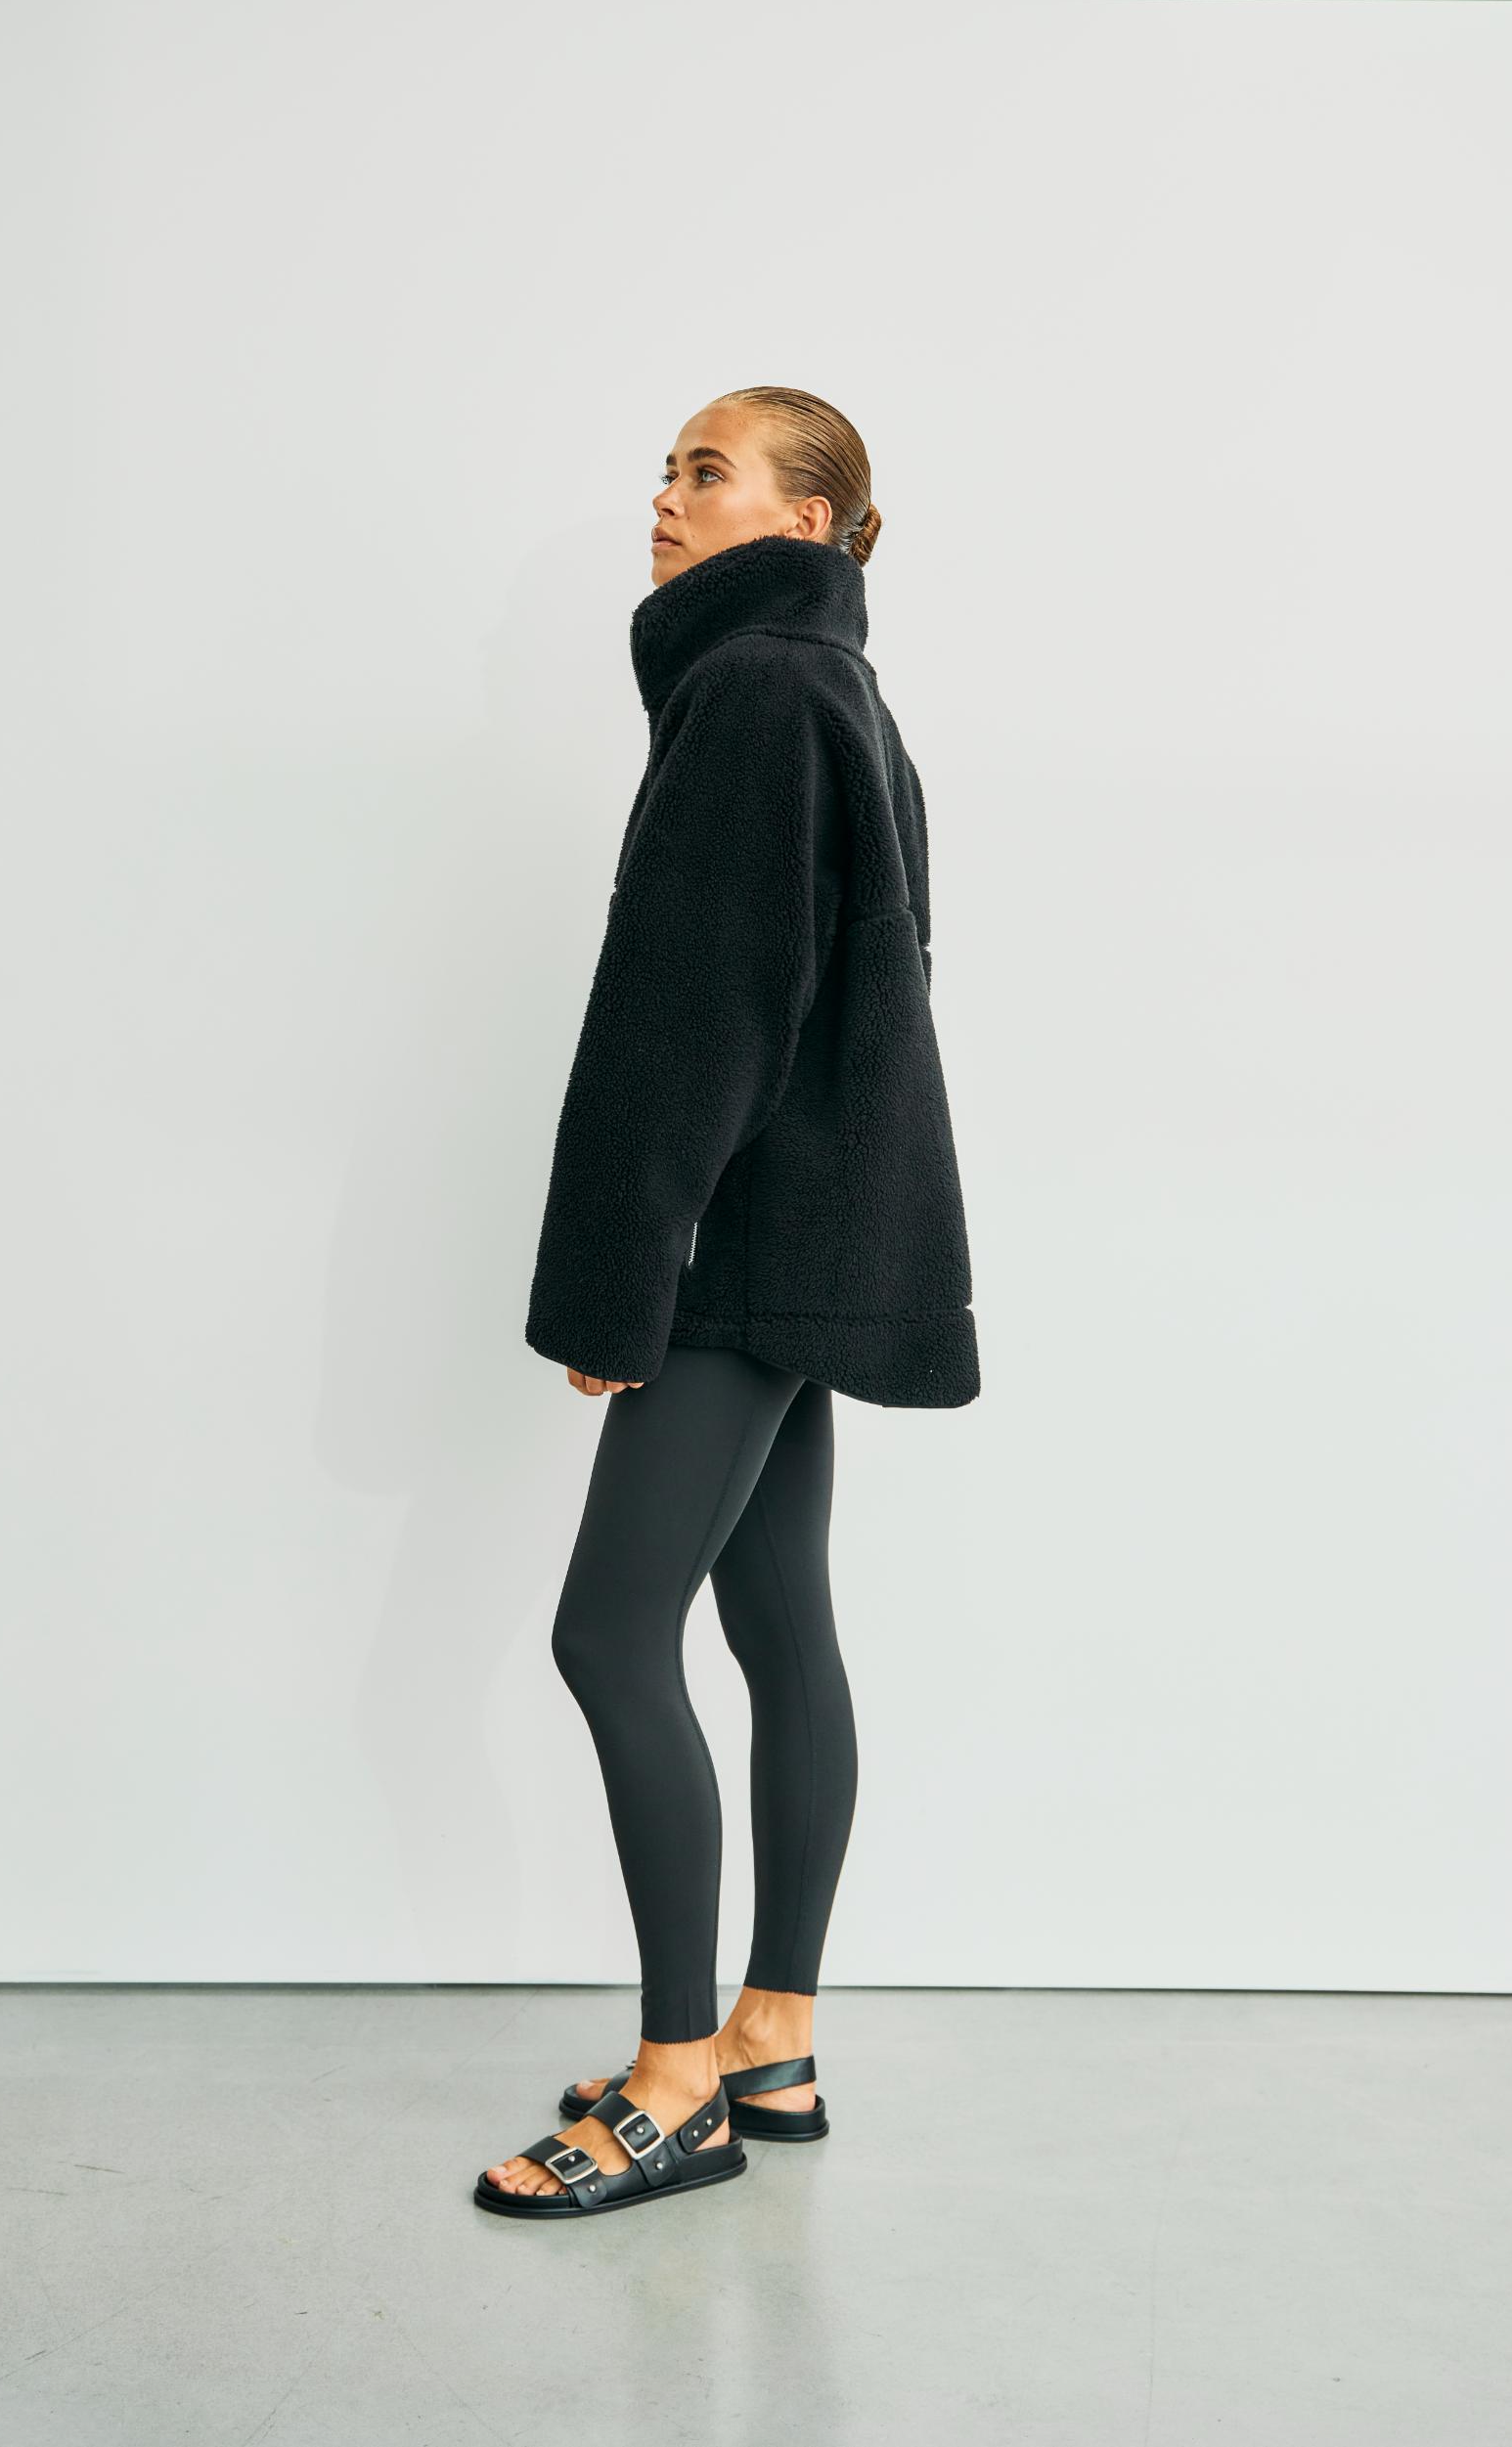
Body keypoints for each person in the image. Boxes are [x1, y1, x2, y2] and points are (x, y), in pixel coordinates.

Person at [474, 385, 979, 2220]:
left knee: (609, 1638)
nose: (667, 498)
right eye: (667, 470)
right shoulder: (837, 690)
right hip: (809, 1233)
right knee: (777, 1624)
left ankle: (676, 2079)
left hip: (735, 1246)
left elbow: (698, 1014)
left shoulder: (755, 690)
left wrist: (630, 1270)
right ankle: (774, 2031)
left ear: (809, 519)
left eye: (707, 470)